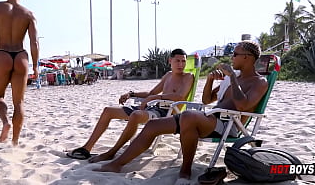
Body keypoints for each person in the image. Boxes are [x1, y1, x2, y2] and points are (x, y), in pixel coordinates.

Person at [95, 41, 268, 183]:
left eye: (235, 54)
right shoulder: (234, 78)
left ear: (247, 57)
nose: (232, 57)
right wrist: (209, 80)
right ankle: (117, 164)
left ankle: (185, 170)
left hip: (228, 124)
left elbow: (243, 105)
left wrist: (231, 77)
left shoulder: (259, 82)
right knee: (153, 125)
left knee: (187, 116)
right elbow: (207, 100)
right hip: (210, 118)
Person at [66, 49, 194, 161]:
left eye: (183, 61)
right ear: (170, 61)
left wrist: (156, 97)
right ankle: (86, 148)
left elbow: (180, 97)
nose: (181, 64)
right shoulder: (168, 76)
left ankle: (112, 152)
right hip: (152, 107)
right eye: (178, 61)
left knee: (136, 115)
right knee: (108, 111)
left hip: (166, 112)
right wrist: (131, 94)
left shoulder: (188, 77)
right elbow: (151, 92)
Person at [0, 0, 39, 145]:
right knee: (19, 103)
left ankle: (6, 122)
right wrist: (35, 66)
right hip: (21, 55)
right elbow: (34, 42)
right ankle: (15, 141)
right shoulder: (28, 14)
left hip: (2, 54)